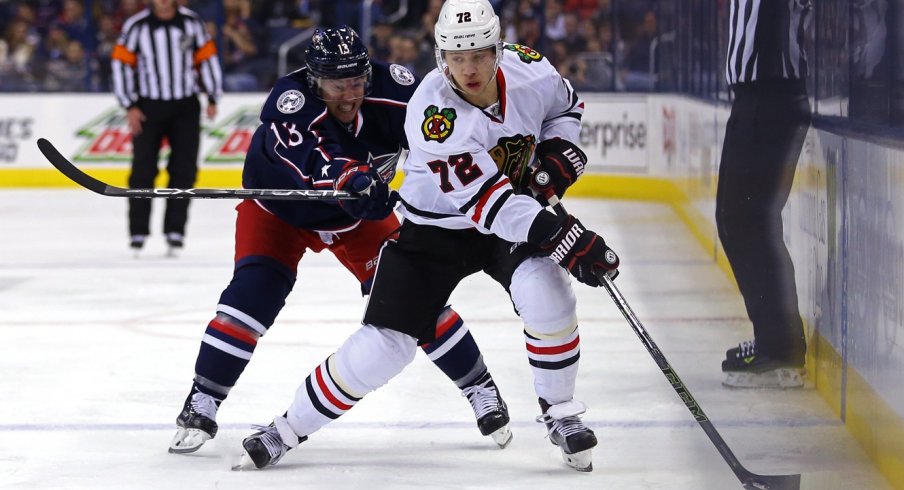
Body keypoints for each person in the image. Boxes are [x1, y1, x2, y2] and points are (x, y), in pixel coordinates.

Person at [235, 0, 619, 473]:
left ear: (499, 48)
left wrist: (560, 156)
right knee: (384, 346)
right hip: (437, 231)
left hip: (507, 221)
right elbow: (487, 204)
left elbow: (567, 107)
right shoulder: (433, 113)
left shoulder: (531, 69)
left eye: (479, 54)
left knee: (546, 289)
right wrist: (565, 235)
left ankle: (560, 412)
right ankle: (287, 429)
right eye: (457, 58)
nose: (469, 68)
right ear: (441, 57)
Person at [168, 25, 512, 455]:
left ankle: (479, 387)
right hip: (279, 213)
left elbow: (439, 132)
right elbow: (317, 157)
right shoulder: (289, 102)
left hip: (357, 217)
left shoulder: (396, 90)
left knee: (415, 298)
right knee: (252, 296)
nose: (349, 95)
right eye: (336, 85)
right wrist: (353, 177)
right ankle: (204, 398)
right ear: (314, 80)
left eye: (356, 82)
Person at [717, 0, 812, 388]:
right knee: (747, 222)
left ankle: (778, 346)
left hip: (767, 92)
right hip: (764, 94)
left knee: (745, 221)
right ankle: (777, 342)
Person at [110, 0, 223, 254]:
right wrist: (129, 105)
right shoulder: (137, 26)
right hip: (148, 107)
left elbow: (208, 59)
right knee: (142, 171)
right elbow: (120, 64)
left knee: (183, 170)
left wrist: (213, 96)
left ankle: (175, 231)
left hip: (185, 106)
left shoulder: (191, 22)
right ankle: (138, 232)